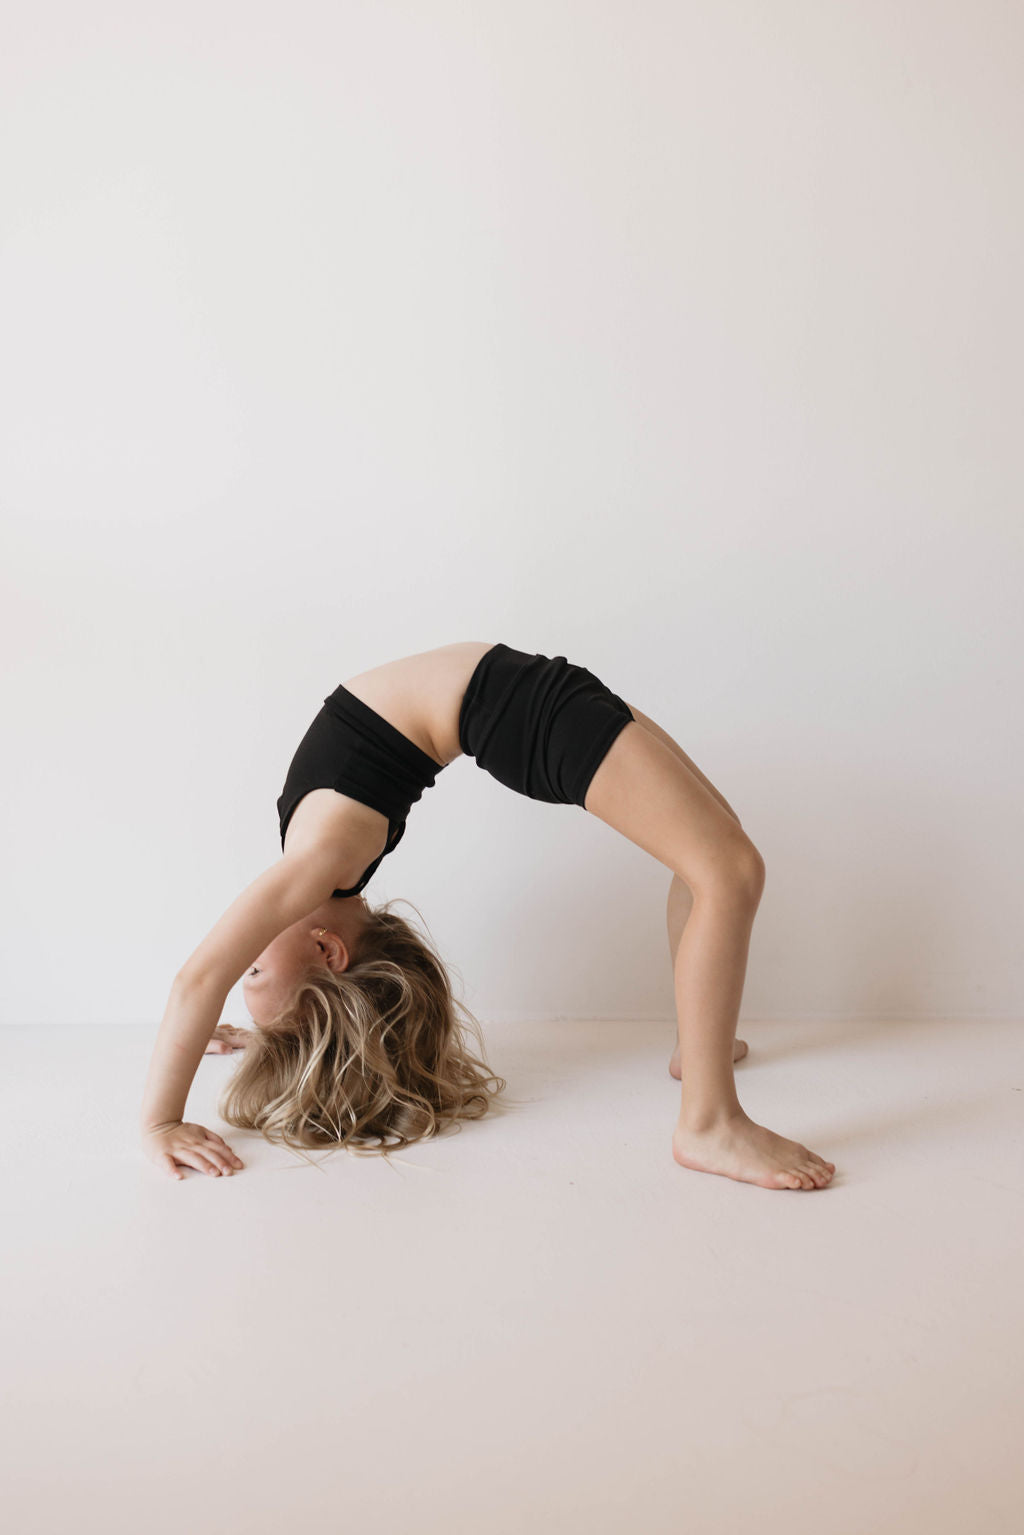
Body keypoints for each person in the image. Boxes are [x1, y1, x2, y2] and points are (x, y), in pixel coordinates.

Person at [139, 640, 836, 1192]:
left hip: (516, 694)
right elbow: (195, 980)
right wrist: (162, 1121)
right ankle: (709, 1121)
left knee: (713, 854)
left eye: (245, 973)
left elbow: (206, 986)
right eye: (253, 966)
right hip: (516, 710)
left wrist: (247, 1029)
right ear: (328, 952)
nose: (239, 961)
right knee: (729, 870)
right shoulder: (323, 858)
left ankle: (699, 1048)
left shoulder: (322, 867)